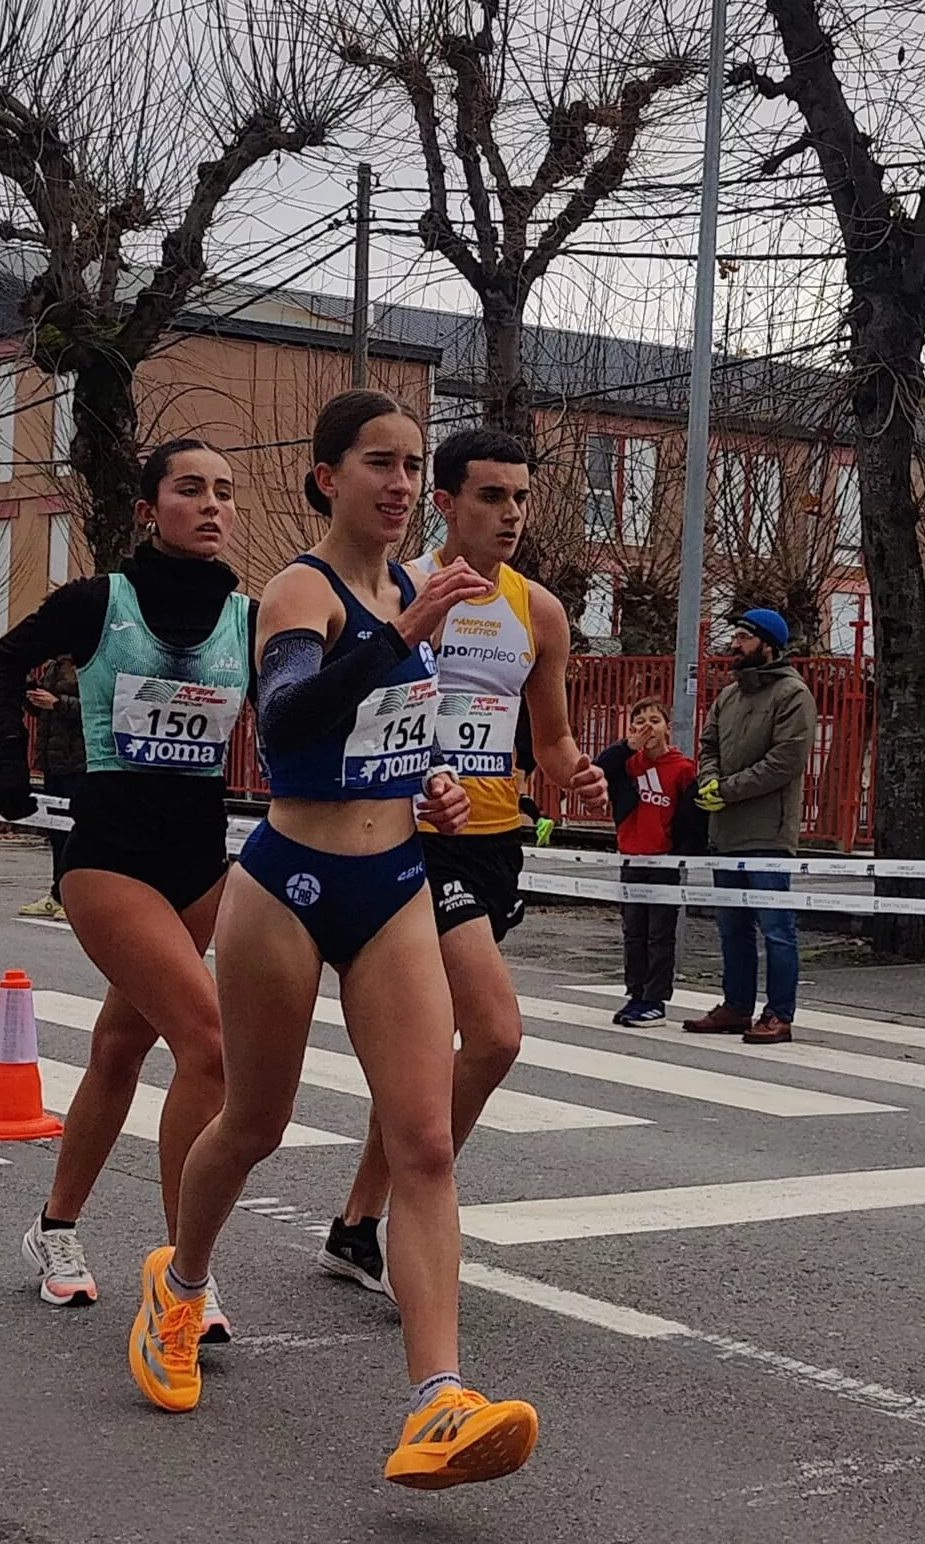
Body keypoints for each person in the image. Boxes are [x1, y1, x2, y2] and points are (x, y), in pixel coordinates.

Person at [129, 390, 539, 1491]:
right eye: (379, 465)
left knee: (424, 1143)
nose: (401, 486)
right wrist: (400, 637)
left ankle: (438, 1400)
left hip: (394, 883)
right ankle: (179, 1286)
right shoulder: (300, 591)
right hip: (288, 885)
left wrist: (431, 780)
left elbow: (387, 728)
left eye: (410, 466)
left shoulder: (413, 591)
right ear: (327, 478)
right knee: (253, 1123)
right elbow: (290, 721)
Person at [319, 427, 608, 1293]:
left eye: (520, 497)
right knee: (494, 1033)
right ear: (444, 503)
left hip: (493, 845)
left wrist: (578, 774)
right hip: (413, 843)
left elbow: (548, 740)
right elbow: (358, 709)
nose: (510, 514)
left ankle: (356, 1226)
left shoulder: (539, 611)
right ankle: (416, 1209)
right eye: (490, 496)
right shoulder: (402, 592)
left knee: (428, 1055)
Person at [0, 438, 255, 1340]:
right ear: (148, 509)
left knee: (118, 1049)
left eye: (224, 492)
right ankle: (186, 1279)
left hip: (200, 862)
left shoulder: (250, 619)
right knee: (208, 1045)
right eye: (190, 489)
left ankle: (54, 1228)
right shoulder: (102, 602)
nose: (211, 505)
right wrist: (10, 758)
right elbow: (3, 662)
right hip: (108, 858)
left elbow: (303, 715)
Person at [683, 608, 817, 1045]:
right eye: (735, 636)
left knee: (776, 928)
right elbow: (708, 745)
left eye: (743, 637)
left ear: (768, 645)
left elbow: (785, 761)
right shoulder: (729, 696)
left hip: (767, 834)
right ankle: (736, 1006)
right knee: (732, 926)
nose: (734, 644)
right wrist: (708, 780)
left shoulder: (793, 694)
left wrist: (727, 789)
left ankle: (779, 1013)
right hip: (726, 832)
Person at [597, 698, 707, 1027]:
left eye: (655, 721)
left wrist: (680, 853)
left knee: (660, 933)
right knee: (634, 931)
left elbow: (693, 817)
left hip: (663, 860)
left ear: (667, 728)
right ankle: (636, 992)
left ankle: (655, 999)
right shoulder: (629, 764)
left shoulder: (682, 768)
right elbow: (600, 769)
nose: (649, 727)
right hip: (632, 856)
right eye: (641, 721)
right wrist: (627, 747)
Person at [19, 654, 85, 920]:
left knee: (75, 833)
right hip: (53, 760)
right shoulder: (52, 666)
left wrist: (57, 703)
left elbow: (98, 708)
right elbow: (42, 712)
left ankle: (75, 899)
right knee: (56, 833)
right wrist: (30, 693)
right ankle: (57, 893)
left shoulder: (87, 664)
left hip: (77, 761)